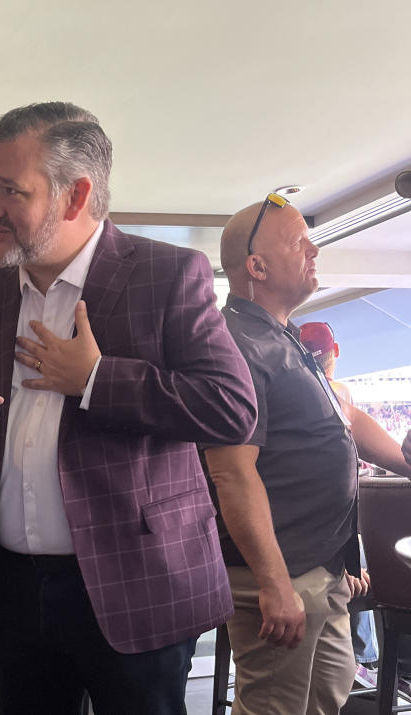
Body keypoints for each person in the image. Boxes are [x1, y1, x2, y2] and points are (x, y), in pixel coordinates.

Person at [0, 101, 258, 715]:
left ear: (75, 197)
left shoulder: (168, 274)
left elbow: (232, 407)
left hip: (139, 583)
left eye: (9, 190)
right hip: (14, 592)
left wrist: (97, 380)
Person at [205, 196, 411, 715]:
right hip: (279, 572)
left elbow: (346, 420)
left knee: (327, 693)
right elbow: (232, 473)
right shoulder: (236, 345)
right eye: (299, 241)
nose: (314, 248)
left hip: (322, 567)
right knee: (273, 706)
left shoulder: (284, 338)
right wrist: (275, 585)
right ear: (257, 266)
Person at [299, 320, 411, 695]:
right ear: (337, 352)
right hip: (312, 556)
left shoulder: (328, 396)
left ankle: (373, 665)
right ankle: (373, 663)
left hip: (325, 550)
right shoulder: (327, 397)